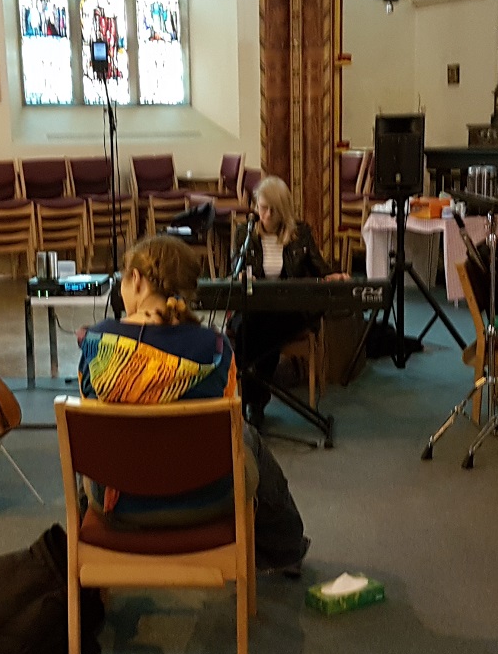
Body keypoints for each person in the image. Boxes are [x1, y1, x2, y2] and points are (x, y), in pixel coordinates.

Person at [79, 234, 309, 575]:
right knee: (246, 434)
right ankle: (286, 549)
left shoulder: (97, 344)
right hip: (209, 498)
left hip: (121, 502)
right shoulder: (216, 347)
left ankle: (79, 561)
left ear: (137, 280)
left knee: (87, 439)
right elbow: (228, 424)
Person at [227, 175, 345, 426]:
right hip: (254, 309)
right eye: (263, 208)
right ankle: (256, 401)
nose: (268, 215)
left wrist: (332, 276)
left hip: (289, 311)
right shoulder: (244, 233)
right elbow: (235, 270)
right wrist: (240, 276)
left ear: (284, 210)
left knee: (258, 330)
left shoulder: (300, 234)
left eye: (274, 210)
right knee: (249, 327)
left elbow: (320, 268)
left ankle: (250, 400)